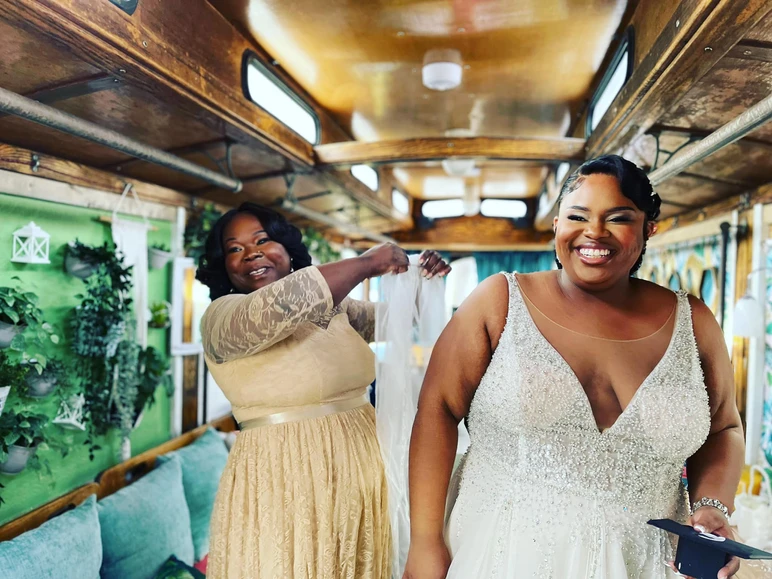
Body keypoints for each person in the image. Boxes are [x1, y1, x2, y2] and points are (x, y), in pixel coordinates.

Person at [403, 155, 744, 579]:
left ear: (648, 229)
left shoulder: (694, 321)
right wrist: (424, 541)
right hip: (501, 552)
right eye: (577, 216)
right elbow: (437, 408)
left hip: (646, 562)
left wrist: (712, 506)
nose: (594, 231)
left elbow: (724, 428)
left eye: (618, 218)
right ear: (556, 225)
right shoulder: (498, 301)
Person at [196, 202, 450, 579]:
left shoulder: (333, 308)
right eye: (235, 248)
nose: (251, 253)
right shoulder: (222, 318)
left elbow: (394, 319)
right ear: (224, 265)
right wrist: (367, 263)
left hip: (362, 480)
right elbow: (280, 306)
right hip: (284, 486)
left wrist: (422, 282)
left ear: (287, 249)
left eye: (262, 240)